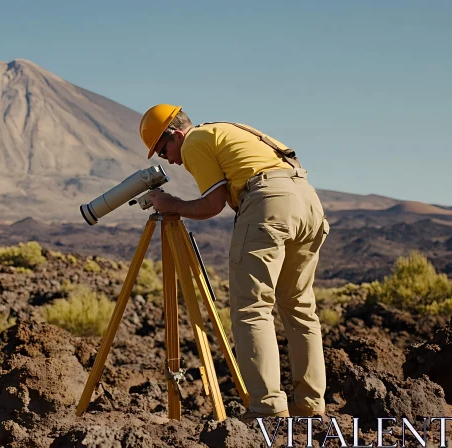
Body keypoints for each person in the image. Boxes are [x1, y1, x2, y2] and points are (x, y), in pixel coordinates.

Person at [138, 104, 329, 420]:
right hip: (307, 202)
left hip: (269, 204)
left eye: (163, 150)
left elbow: (212, 205)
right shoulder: (225, 130)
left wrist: (170, 204)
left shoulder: (196, 140)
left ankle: (266, 408)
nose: (170, 160)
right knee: (299, 307)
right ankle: (310, 404)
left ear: (174, 134)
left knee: (252, 308)